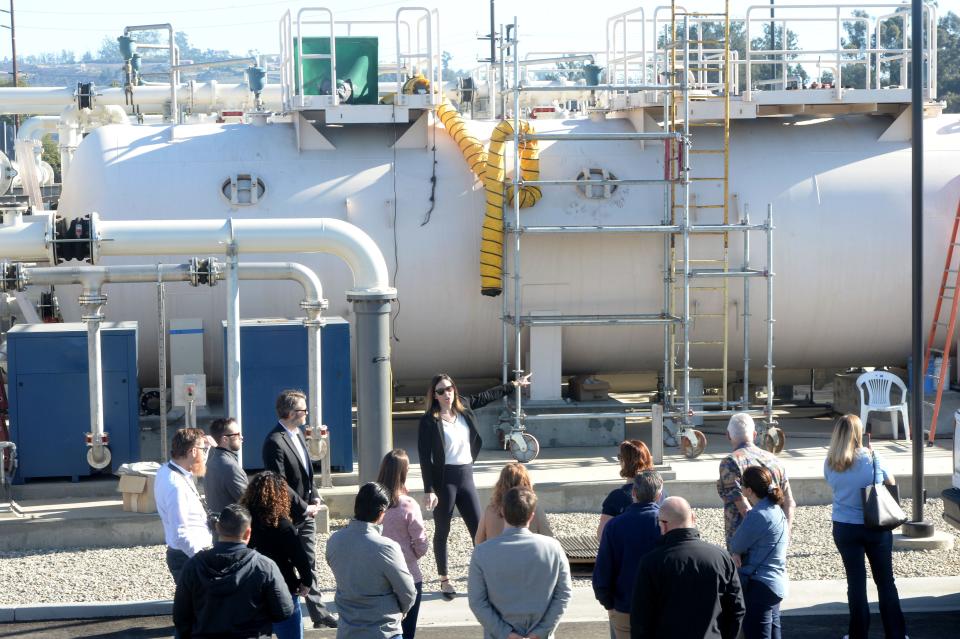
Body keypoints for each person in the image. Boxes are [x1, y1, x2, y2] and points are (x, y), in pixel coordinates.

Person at [417, 372, 529, 599]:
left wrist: (514, 384)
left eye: (449, 388)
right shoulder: (430, 420)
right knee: (443, 530)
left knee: (479, 529)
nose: (447, 394)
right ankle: (444, 579)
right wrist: (429, 489)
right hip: (444, 479)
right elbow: (423, 457)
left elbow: (487, 396)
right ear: (434, 396)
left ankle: (486, 576)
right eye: (441, 391)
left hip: (466, 475)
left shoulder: (464, 406)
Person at [824, 414, 907, 639]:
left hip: (844, 526)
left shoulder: (830, 461)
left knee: (856, 583)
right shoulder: (873, 457)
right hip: (875, 524)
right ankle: (896, 633)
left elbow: (833, 484)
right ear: (859, 433)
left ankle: (858, 634)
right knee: (885, 581)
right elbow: (890, 482)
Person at [262, 389, 338, 629]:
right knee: (285, 564)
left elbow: (306, 475)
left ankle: (319, 613)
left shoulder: (297, 435)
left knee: (309, 561)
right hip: (288, 516)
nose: (307, 414)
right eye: (303, 410)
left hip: (306, 512)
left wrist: (314, 497)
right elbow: (280, 483)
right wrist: (304, 508)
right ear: (290, 413)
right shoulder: (274, 441)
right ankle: (281, 612)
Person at [173, 503, 294, 639]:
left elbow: (180, 616)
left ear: (218, 528)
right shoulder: (264, 566)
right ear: (248, 532)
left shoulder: (193, 566)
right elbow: (284, 611)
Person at [631, 496, 744, 639]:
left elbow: (641, 619)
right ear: (693, 518)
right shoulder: (722, 557)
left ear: (663, 525)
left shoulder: (651, 563)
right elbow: (737, 609)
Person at [468, 487, 572, 639]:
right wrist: (541, 631)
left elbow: (477, 601)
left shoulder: (482, 552)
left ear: (502, 511)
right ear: (531, 516)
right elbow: (563, 594)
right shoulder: (553, 548)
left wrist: (505, 633)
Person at [325, 482, 417, 639]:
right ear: (381, 512)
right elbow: (408, 592)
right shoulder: (386, 547)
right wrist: (401, 610)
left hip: (348, 630)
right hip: (383, 631)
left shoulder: (334, 540)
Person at [593, 470, 663, 639]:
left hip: (624, 607)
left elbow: (602, 571)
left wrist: (609, 603)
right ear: (659, 495)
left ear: (633, 493)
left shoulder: (615, 526)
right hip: (660, 607)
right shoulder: (665, 524)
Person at [242, 472, 313, 639]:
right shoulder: (283, 526)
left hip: (252, 589)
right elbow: (299, 557)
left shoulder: (245, 522)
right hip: (283, 587)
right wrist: (306, 581)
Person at [717, 413, 795, 549]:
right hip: (776, 537)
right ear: (754, 434)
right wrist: (784, 534)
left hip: (745, 543)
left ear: (728, 435)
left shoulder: (730, 463)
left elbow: (744, 508)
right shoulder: (774, 460)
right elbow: (789, 502)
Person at [729, 466, 789, 639]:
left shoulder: (758, 514)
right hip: (776, 582)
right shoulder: (776, 509)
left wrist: (736, 553)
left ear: (748, 490)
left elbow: (736, 544)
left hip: (760, 585)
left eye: (742, 485)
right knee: (774, 632)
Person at [377, 449, 429, 639]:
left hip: (378, 575)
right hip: (407, 574)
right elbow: (421, 543)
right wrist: (411, 554)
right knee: (406, 632)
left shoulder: (374, 501)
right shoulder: (408, 504)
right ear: (404, 473)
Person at [155, 427, 213, 583]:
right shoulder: (176, 486)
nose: (205, 455)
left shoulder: (167, 470)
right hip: (189, 557)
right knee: (201, 605)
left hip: (187, 556)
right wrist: (202, 559)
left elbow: (198, 461)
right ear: (193, 452)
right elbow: (180, 534)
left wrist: (205, 443)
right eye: (203, 450)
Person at [476, 462, 553, 544]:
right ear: (527, 484)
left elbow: (478, 541)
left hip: (496, 555)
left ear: (500, 484)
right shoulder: (535, 511)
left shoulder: (490, 511)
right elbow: (549, 539)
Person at [205, 417, 248, 516]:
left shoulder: (211, 462)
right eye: (237, 434)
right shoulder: (230, 467)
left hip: (220, 527)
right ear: (225, 439)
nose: (241, 437)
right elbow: (249, 503)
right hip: (234, 528)